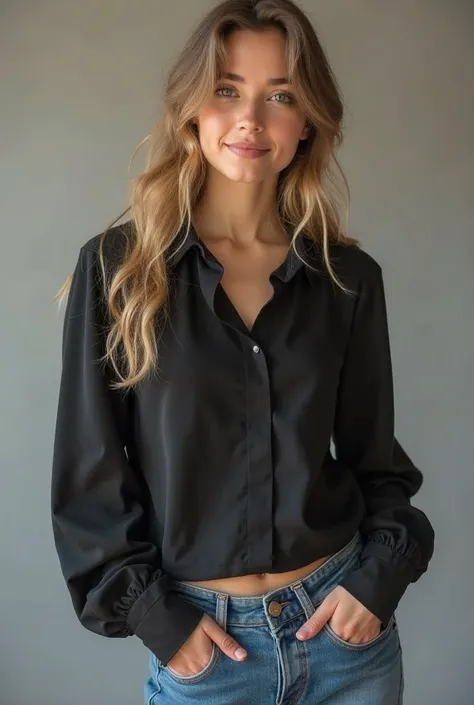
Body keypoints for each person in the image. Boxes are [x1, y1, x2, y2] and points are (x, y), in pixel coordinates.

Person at [51, 1, 435, 703]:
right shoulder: (119, 273)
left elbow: (376, 464)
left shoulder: (347, 280)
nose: (251, 118)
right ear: (192, 108)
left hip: (346, 644)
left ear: (307, 121)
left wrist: (375, 582)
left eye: (280, 95)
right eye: (227, 89)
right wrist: (164, 625)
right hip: (208, 654)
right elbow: (90, 485)